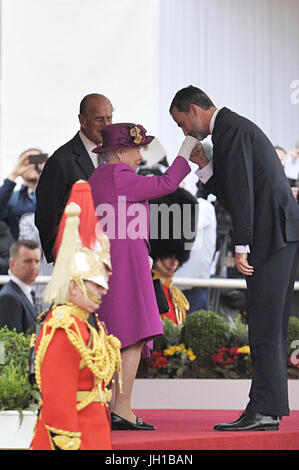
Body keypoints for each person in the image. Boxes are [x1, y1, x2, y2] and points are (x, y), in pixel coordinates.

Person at [170, 85, 299, 432]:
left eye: (182, 123)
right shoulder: (231, 128)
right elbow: (232, 187)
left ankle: (265, 410)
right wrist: (203, 165)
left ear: (195, 109)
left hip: (269, 237)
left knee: (265, 324)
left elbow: (242, 191)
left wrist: (242, 245)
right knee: (265, 322)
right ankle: (265, 408)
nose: (184, 132)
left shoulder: (229, 128)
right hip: (276, 234)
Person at [89, 122, 197, 430]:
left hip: (114, 265)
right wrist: (185, 152)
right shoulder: (118, 175)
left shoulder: (99, 177)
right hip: (126, 268)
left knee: (117, 336)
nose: (140, 156)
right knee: (132, 336)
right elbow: (164, 184)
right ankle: (122, 410)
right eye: (137, 149)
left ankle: (113, 407)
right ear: (121, 151)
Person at [30, 181, 122, 451]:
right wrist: (67, 443)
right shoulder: (64, 326)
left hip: (96, 433)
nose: (102, 291)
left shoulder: (88, 324)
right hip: (73, 439)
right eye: (94, 285)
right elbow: (58, 399)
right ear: (73, 284)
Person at [35, 93, 113, 263]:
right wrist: (65, 256)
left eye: (109, 118)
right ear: (82, 120)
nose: (106, 125)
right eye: (100, 119)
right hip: (75, 263)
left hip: (105, 260)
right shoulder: (61, 160)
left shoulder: (109, 157)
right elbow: (45, 217)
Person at [149, 187, 198, 324]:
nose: (174, 263)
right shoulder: (144, 292)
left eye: (178, 257)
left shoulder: (175, 297)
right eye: (169, 255)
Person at [0, 148, 46, 240]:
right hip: (18, 250)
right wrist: (14, 174)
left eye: (38, 159)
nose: (33, 165)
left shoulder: (54, 194)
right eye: (29, 161)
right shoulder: (11, 198)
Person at [0, 239, 41, 333]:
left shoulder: (29, 293)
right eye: (28, 261)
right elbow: (11, 344)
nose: (33, 267)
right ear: (12, 264)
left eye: (37, 261)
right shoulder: (9, 297)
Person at [19, 212, 53, 312]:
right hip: (39, 293)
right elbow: (28, 252)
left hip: (67, 292)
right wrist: (44, 221)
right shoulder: (28, 221)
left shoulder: (72, 218)